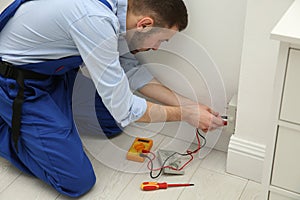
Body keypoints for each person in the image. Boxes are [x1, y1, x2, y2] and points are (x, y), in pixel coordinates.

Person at [0, 0, 225, 197]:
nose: (155, 48)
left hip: (56, 75)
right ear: (145, 24)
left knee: (110, 122)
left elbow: (129, 70)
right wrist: (185, 115)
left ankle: (50, 125)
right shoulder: (95, 20)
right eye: (161, 40)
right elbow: (125, 109)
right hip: (17, 82)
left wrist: (187, 104)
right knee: (76, 181)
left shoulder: (119, 12)